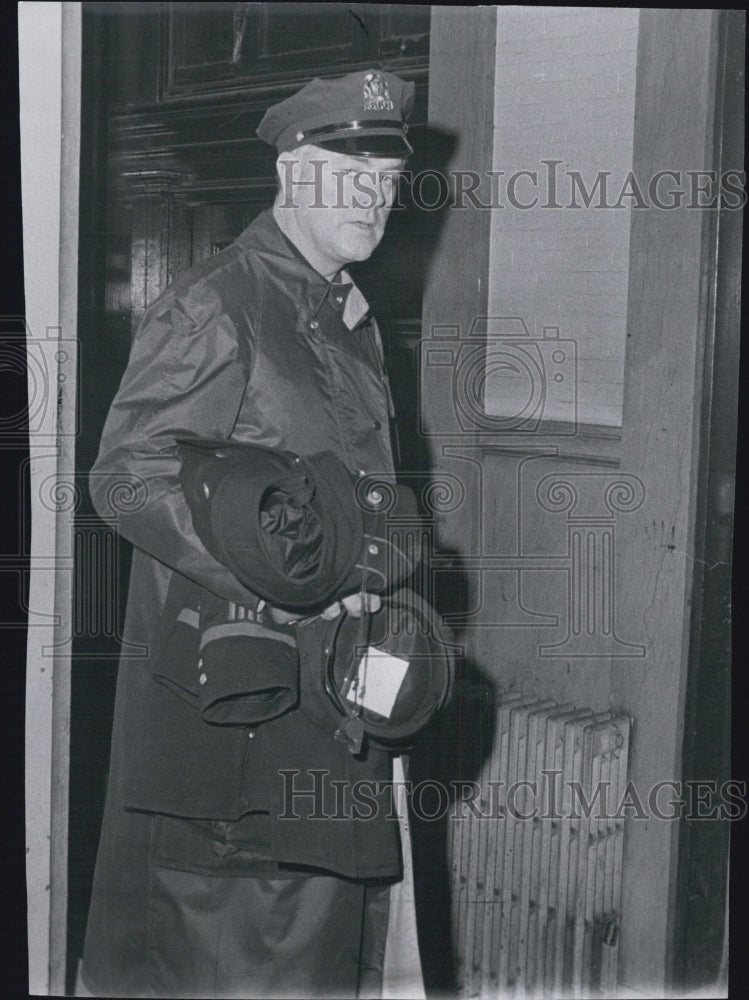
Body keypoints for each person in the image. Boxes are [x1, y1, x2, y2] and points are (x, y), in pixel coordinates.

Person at [80, 69, 430, 1000]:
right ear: (289, 175)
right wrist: (279, 585)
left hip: (326, 691)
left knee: (313, 944)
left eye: (386, 186)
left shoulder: (346, 311)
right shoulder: (219, 301)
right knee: (234, 949)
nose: (374, 203)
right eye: (349, 179)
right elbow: (124, 477)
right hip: (234, 698)